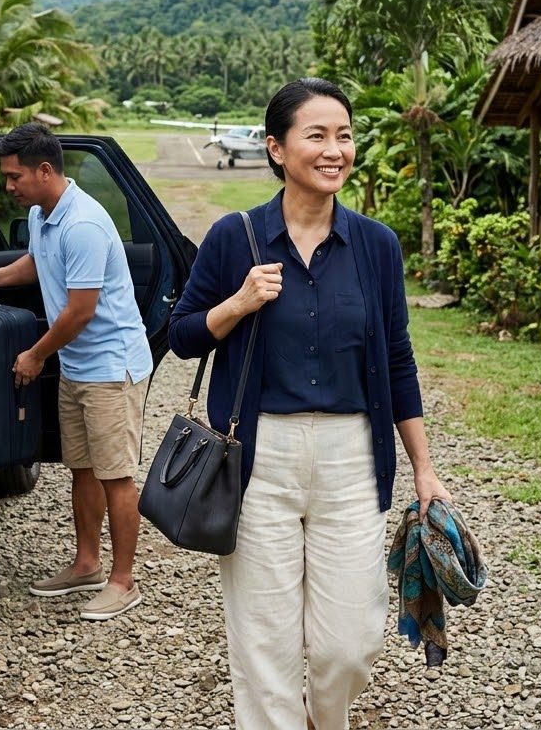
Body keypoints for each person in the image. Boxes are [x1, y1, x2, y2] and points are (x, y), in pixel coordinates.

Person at [168, 77, 452, 729]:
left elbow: (400, 361)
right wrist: (237, 304)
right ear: (276, 148)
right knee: (264, 646)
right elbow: (181, 337)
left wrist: (424, 468)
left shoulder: (376, 246)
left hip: (352, 460)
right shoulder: (233, 238)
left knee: (349, 646)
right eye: (317, 135)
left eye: (345, 135)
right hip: (258, 460)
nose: (335, 149)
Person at [0, 122, 152, 621]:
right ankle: (87, 564)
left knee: (117, 476)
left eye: (13, 175)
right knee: (83, 469)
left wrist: (35, 355)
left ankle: (123, 581)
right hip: (79, 365)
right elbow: (38, 262)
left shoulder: (83, 224)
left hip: (111, 367)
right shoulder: (42, 214)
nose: (8, 185)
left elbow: (79, 311)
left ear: (45, 170)